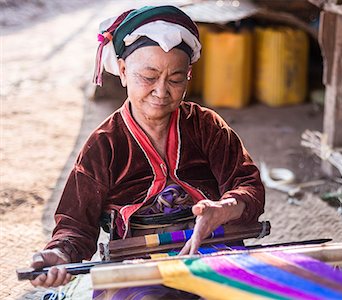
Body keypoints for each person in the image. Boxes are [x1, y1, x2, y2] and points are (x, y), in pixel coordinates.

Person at [30, 5, 265, 288]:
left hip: (212, 251)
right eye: (149, 77)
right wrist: (60, 253)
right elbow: (76, 225)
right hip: (138, 263)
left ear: (188, 75)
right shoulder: (104, 144)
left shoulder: (206, 126)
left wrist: (223, 208)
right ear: (124, 70)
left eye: (176, 79)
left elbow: (248, 185)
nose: (162, 91)